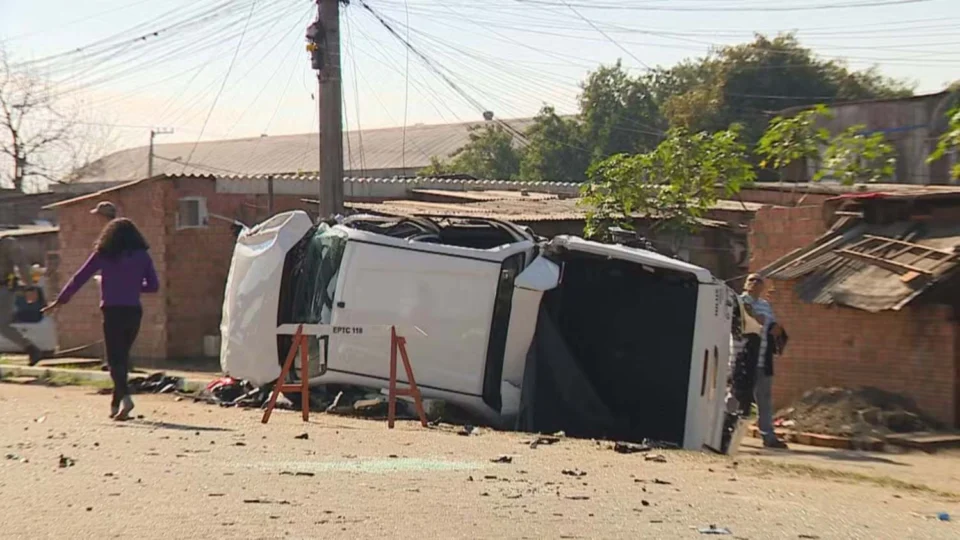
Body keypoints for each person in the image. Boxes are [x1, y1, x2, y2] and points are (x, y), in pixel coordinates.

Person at [44, 219, 159, 421]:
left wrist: (60, 301)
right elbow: (153, 286)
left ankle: (125, 399)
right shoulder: (142, 256)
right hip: (133, 311)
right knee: (121, 357)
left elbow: (78, 278)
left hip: (112, 311)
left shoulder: (104, 255)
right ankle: (116, 405)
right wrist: (132, 286)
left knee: (115, 359)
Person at [738, 273, 789, 449]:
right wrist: (751, 318)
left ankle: (769, 437)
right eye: (751, 280)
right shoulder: (739, 301)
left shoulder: (765, 305)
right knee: (739, 397)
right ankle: (729, 433)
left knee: (764, 399)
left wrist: (776, 329)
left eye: (759, 281)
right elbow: (737, 324)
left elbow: (772, 326)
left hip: (763, 359)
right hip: (743, 359)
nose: (755, 283)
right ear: (745, 284)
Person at [0, 236, 42, 364]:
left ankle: (30, 348)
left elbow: (22, 264)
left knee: (2, 324)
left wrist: (29, 287)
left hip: (4, 288)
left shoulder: (7, 243)